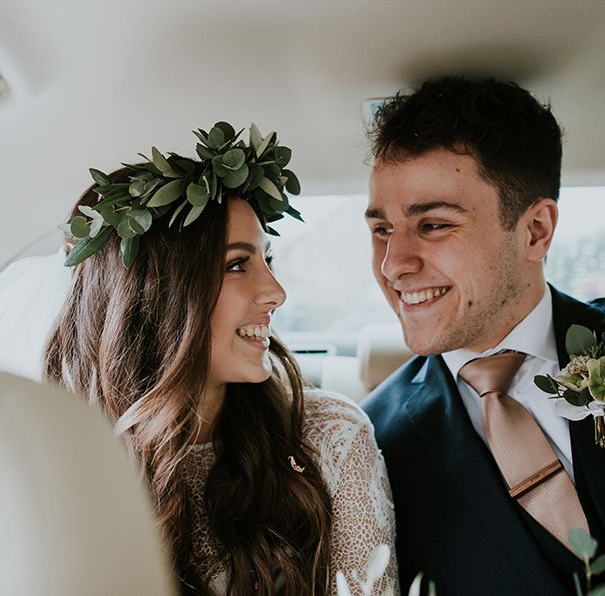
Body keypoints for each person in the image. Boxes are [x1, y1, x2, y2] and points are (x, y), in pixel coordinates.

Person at [43, 123, 397, 595]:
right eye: (236, 265)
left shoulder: (330, 438)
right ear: (157, 295)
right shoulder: (62, 468)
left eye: (268, 260)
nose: (276, 292)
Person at [361, 77, 605, 596]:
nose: (393, 265)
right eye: (381, 230)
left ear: (536, 231)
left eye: (434, 225)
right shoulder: (372, 445)